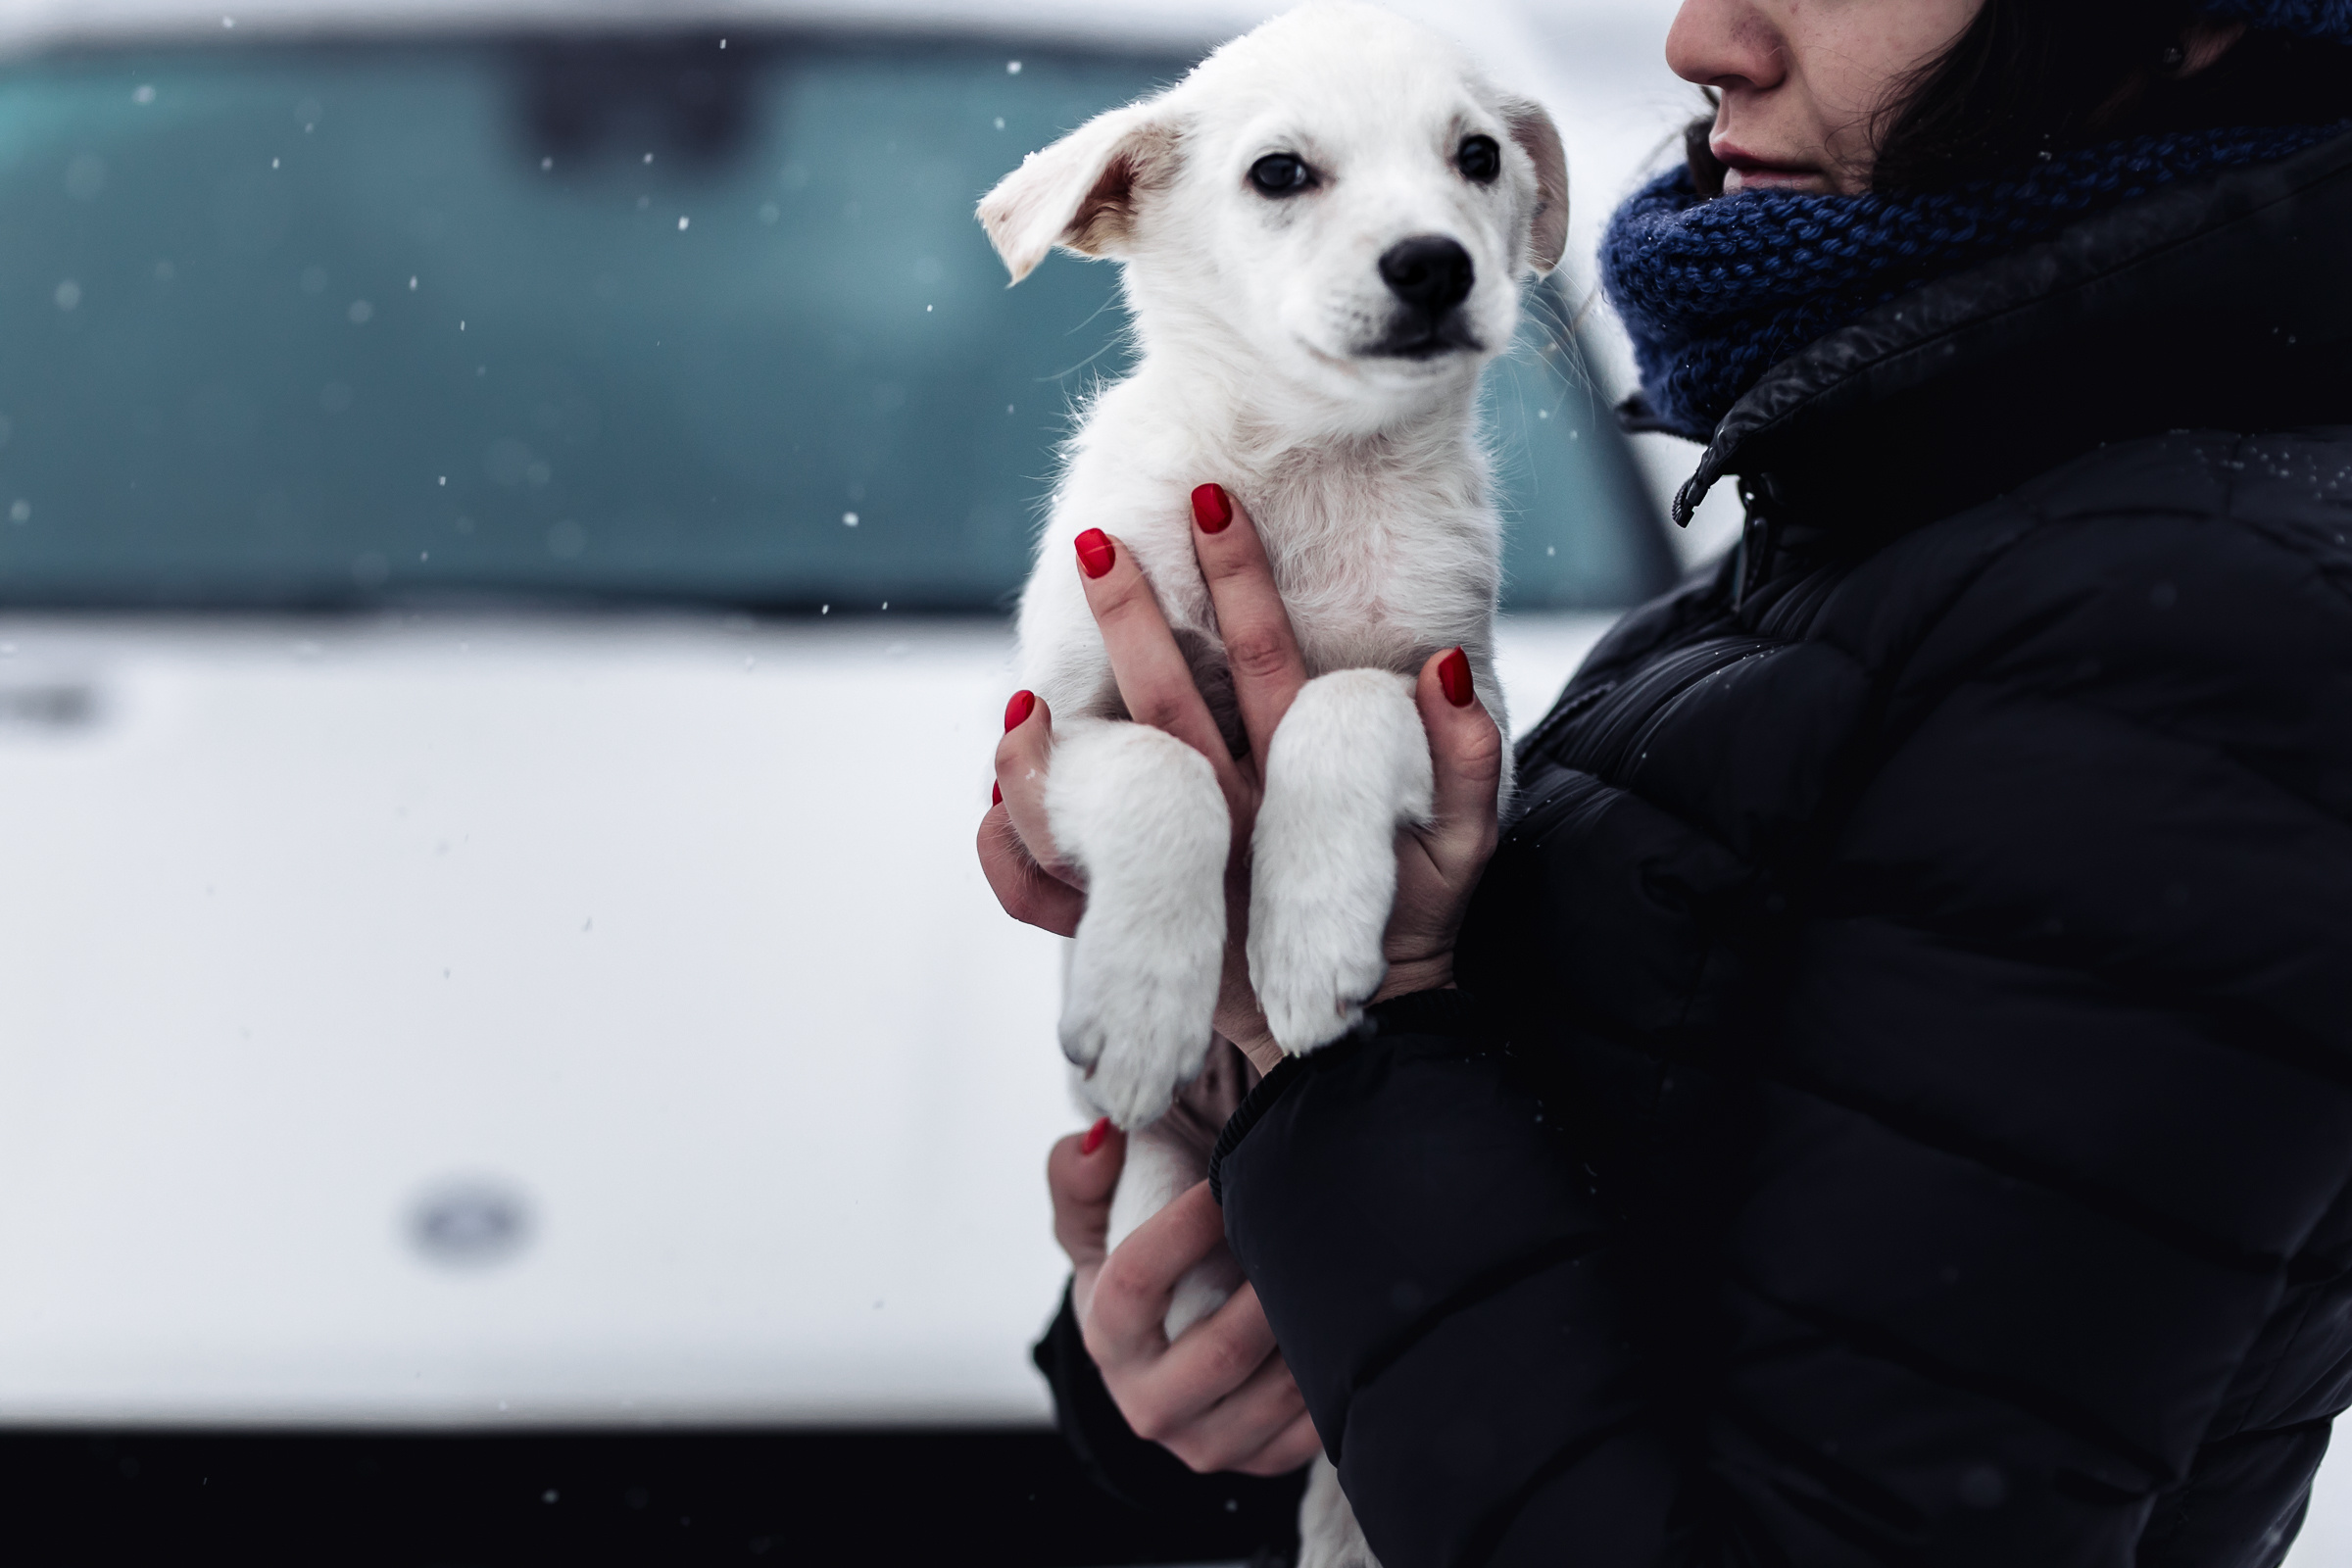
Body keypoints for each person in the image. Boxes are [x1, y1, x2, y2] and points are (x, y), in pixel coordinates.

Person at [979, 0, 2352, 1561]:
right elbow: (1586, 1222)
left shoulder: (2203, 643)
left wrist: (1332, 1053)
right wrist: (1215, 1364)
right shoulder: (1868, 524)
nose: (1704, 33)